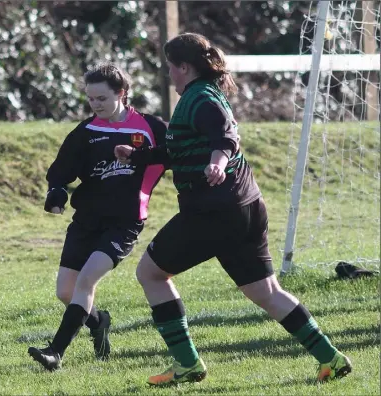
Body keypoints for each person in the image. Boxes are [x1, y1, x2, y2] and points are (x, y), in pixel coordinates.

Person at [114, 33, 352, 386]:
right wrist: (139, 156)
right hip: (246, 207)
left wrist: (217, 162)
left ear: (184, 67)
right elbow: (181, 150)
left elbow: (225, 136)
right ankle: (330, 357)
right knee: (265, 292)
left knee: (150, 273)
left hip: (213, 212)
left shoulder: (200, 99)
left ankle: (187, 364)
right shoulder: (202, 95)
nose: (168, 74)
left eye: (170, 67)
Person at [28, 63, 167, 371]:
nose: (95, 104)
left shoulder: (150, 128)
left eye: (102, 98)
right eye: (90, 98)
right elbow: (61, 173)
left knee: (87, 280)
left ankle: (55, 352)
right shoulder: (85, 133)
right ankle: (99, 322)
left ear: (122, 93)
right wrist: (57, 192)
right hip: (87, 220)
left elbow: (176, 153)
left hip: (125, 221)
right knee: (66, 291)